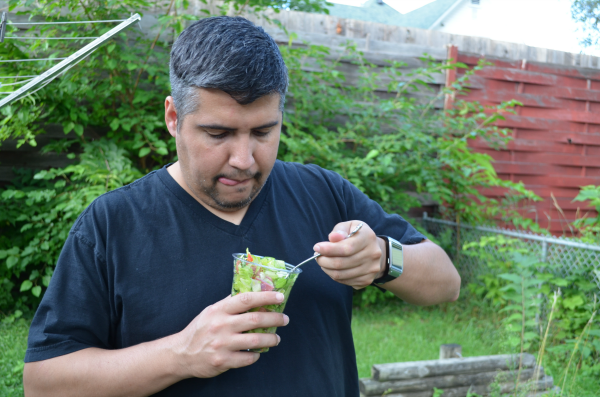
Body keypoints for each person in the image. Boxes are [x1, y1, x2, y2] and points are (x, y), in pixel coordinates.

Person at [23, 16, 460, 397]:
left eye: (263, 132)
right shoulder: (112, 225)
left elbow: (445, 282)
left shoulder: (322, 192)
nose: (244, 160)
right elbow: (43, 383)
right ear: (173, 118)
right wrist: (181, 354)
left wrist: (385, 258)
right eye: (218, 134)